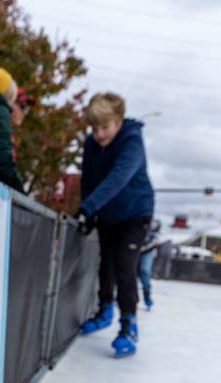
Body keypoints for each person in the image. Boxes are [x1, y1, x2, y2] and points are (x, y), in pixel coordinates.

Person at [76, 92, 154, 357]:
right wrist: (88, 211)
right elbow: (88, 179)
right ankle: (105, 309)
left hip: (135, 212)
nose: (99, 134)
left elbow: (119, 177)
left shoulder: (131, 140)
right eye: (94, 128)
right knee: (105, 262)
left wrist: (90, 206)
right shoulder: (91, 144)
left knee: (124, 264)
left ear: (119, 120)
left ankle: (128, 324)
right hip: (108, 212)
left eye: (105, 127)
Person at [138, 219, 161, 309]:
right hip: (134, 247)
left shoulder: (155, 222)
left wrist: (144, 247)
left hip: (147, 251)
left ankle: (147, 296)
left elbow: (155, 239)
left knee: (145, 271)